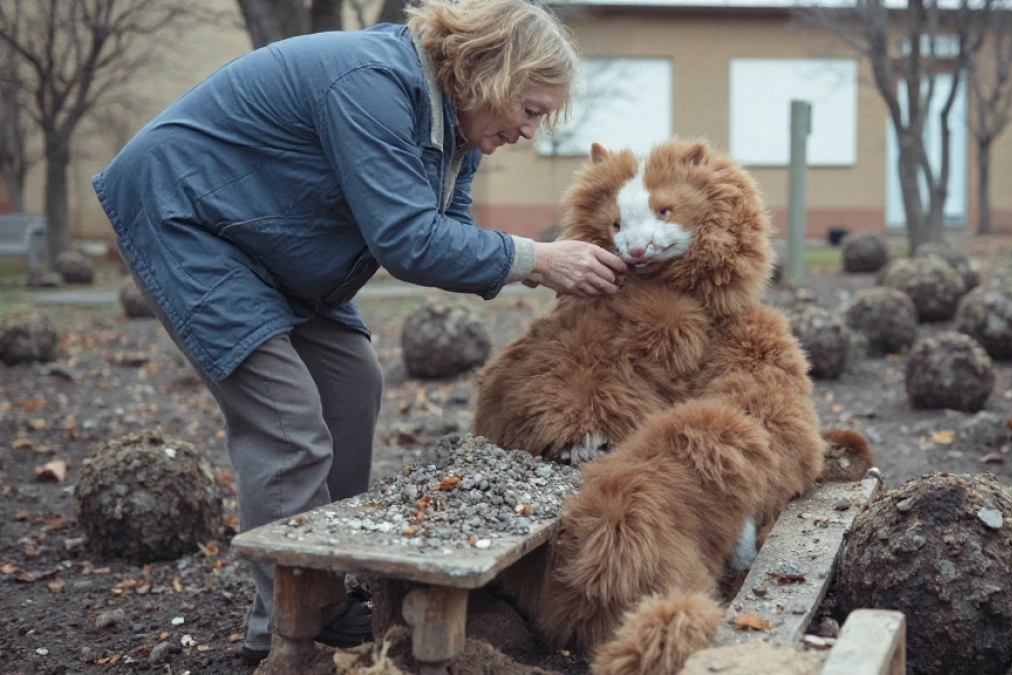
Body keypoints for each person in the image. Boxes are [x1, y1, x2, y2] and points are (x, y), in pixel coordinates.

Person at [91, 0, 626, 665]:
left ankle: (323, 589)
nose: (530, 131)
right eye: (531, 108)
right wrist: (540, 259)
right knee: (287, 420)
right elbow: (407, 239)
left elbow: (449, 235)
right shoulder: (372, 83)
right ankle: (286, 630)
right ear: (493, 73)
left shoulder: (456, 132)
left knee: (353, 381)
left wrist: (538, 265)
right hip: (189, 218)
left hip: (271, 243)